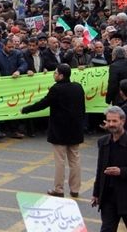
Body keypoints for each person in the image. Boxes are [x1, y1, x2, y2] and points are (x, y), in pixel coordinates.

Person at [21, 63, 85, 198]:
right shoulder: (78, 87)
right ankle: (75, 189)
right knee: (75, 160)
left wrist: (26, 109)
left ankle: (59, 189)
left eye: (55, 73)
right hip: (75, 129)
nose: (53, 75)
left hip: (60, 130)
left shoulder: (57, 89)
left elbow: (43, 104)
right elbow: (82, 109)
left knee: (60, 161)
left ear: (61, 75)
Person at [92, 106, 127, 232]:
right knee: (107, 229)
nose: (111, 124)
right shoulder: (103, 142)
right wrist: (96, 193)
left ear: (123, 121)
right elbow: (100, 169)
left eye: (114, 121)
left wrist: (121, 171)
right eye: (109, 121)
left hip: (125, 196)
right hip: (108, 197)